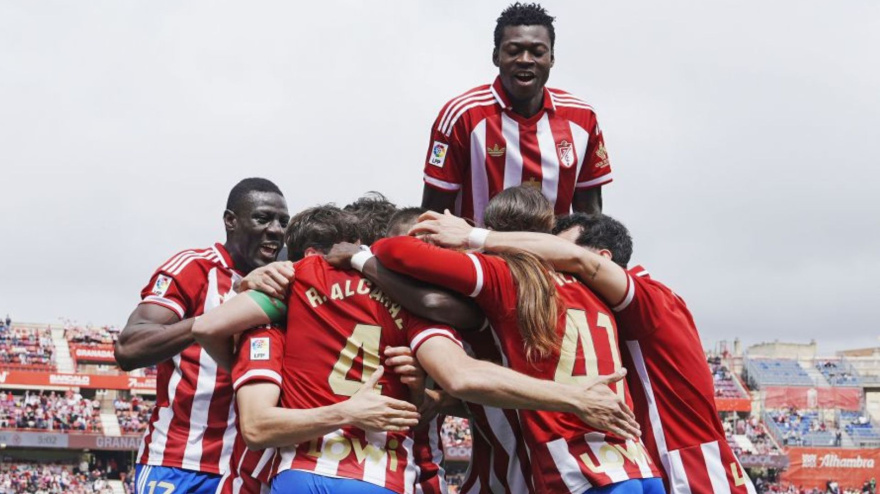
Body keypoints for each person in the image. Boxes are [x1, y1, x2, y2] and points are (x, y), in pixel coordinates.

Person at [193, 204, 638, 494]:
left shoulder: (299, 281)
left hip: (302, 476)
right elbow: (459, 376)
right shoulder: (423, 310)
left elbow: (212, 328)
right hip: (394, 479)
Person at [411, 210, 758, 493]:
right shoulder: (600, 314)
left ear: (602, 258)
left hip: (695, 474)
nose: (551, 271)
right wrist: (447, 403)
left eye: (552, 257)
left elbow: (578, 259)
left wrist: (475, 238)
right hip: (657, 470)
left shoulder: (652, 300)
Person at [372, 186, 661, 493]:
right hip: (635, 464)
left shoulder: (504, 276)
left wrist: (466, 237)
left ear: (493, 230)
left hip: (575, 472)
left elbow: (396, 251)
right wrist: (443, 401)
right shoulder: (591, 285)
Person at [114, 178, 290, 494]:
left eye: (282, 222)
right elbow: (129, 347)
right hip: (181, 463)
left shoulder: (286, 279)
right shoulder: (194, 268)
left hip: (251, 469)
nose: (276, 229)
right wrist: (217, 320)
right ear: (231, 221)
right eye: (263, 218)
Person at [421, 2, 612, 226]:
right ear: (496, 56)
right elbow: (433, 215)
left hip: (551, 259)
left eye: (537, 52)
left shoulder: (582, 119)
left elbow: (590, 217)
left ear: (551, 58)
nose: (525, 59)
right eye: (513, 51)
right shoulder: (462, 116)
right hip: (477, 257)